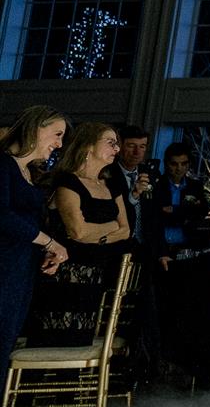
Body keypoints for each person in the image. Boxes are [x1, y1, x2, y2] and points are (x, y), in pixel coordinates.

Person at [31, 122, 134, 347]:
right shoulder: (68, 182)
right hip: (65, 271)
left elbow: (126, 230)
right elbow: (77, 231)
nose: (117, 149)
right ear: (88, 145)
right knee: (55, 338)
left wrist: (96, 234)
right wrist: (111, 227)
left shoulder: (112, 185)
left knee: (81, 338)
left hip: (95, 271)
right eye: (111, 143)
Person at [2, 109, 70, 387]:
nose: (59, 143)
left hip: (20, 270)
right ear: (36, 128)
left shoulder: (26, 171)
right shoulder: (3, 165)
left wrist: (47, 250)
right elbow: (3, 216)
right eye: (57, 134)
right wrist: (50, 242)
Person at [101, 123, 152, 251]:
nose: (137, 152)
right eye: (131, 146)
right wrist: (133, 196)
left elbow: (155, 216)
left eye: (142, 146)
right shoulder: (106, 174)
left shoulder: (150, 173)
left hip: (145, 246)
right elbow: (109, 213)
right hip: (115, 244)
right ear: (119, 147)